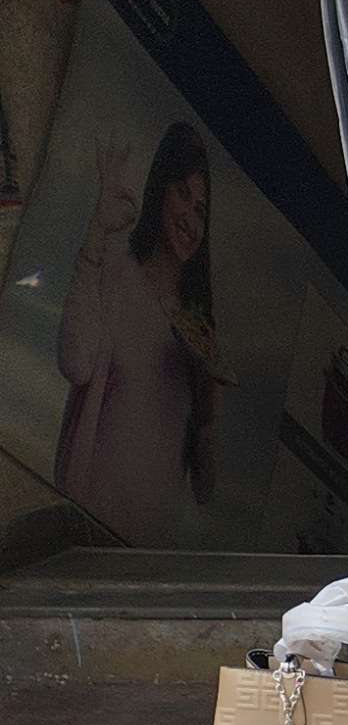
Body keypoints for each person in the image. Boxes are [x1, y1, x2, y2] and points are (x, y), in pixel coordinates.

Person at [58, 122, 223, 533]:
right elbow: (76, 362)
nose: (190, 217)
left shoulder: (198, 336)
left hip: (144, 557)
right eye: (182, 194)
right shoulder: (115, 273)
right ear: (159, 190)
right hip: (83, 529)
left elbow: (205, 488)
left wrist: (206, 415)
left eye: (201, 209)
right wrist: (97, 231)